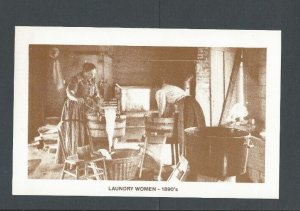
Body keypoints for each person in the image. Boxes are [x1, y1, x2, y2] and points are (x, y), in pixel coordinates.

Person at [56, 62, 101, 164]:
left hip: (85, 109)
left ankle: (84, 158)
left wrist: (97, 100)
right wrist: (77, 98)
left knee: (84, 133)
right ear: (84, 72)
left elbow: (95, 94)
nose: (92, 76)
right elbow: (69, 93)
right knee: (74, 133)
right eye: (90, 74)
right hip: (73, 110)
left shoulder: (92, 80)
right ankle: (73, 157)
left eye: (93, 74)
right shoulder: (75, 79)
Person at [154, 76, 206, 156]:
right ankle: (194, 155)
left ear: (156, 86)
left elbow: (162, 109)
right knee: (195, 127)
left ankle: (185, 156)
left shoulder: (160, 91)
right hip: (193, 103)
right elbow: (169, 106)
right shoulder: (169, 88)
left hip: (186, 105)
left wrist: (160, 121)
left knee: (185, 130)